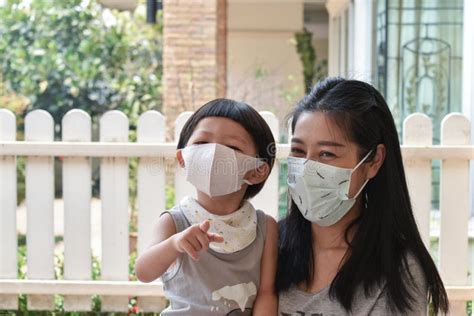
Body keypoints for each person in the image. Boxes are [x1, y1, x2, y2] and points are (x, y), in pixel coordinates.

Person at [277, 78, 449, 315]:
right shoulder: (270, 247)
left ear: (373, 161)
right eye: (297, 151)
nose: (307, 167)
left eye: (327, 153)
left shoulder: (398, 270)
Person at [135, 98, 278, 315]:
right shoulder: (174, 222)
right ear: (184, 158)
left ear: (257, 170)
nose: (213, 153)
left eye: (231, 146)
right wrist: (175, 244)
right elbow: (143, 272)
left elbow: (267, 293)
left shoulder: (265, 228)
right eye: (202, 143)